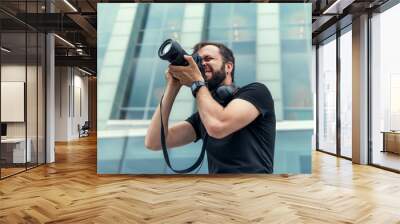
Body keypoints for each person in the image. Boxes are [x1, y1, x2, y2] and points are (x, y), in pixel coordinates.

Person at [145, 42, 276, 174]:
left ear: (228, 67)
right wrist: (173, 86)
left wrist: (196, 82)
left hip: (256, 190)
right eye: (198, 61)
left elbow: (218, 125)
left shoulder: (256, 92)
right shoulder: (204, 117)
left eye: (208, 59)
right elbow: (154, 141)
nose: (202, 64)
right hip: (218, 192)